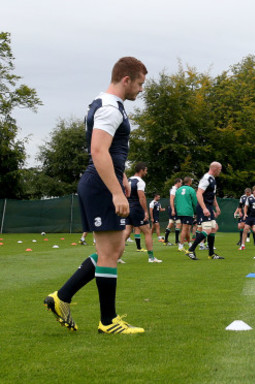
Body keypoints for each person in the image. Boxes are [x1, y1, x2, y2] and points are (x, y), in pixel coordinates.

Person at [43, 57, 147, 334]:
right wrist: (116, 192)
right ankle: (108, 321)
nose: (141, 89)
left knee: (113, 250)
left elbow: (110, 152)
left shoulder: (106, 104)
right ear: (126, 79)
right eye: (139, 83)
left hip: (103, 181)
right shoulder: (111, 108)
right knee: (110, 253)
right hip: (100, 185)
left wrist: (121, 177)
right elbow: (98, 151)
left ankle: (61, 297)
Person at [123, 162, 160, 263]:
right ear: (141, 170)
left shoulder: (128, 180)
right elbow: (142, 197)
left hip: (128, 208)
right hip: (136, 209)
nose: (146, 172)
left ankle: (115, 257)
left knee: (126, 232)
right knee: (147, 232)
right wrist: (145, 212)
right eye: (146, 170)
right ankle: (151, 258)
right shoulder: (140, 181)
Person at [186, 162, 224, 260]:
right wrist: (204, 208)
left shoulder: (213, 179)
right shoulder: (206, 178)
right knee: (207, 230)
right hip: (204, 206)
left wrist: (217, 207)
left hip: (209, 206)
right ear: (215, 169)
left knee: (214, 227)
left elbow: (212, 195)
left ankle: (211, 254)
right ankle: (191, 250)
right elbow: (198, 193)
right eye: (220, 169)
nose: (220, 171)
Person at [174, 176, 197, 253]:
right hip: (188, 211)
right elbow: (195, 202)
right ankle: (181, 245)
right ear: (190, 182)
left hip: (180, 211)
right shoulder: (191, 190)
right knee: (185, 228)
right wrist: (196, 212)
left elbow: (175, 201)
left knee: (187, 228)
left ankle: (190, 243)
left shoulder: (178, 190)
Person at [164, 178, 182, 245]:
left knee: (172, 223)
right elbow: (171, 200)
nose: (181, 184)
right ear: (177, 182)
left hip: (175, 208)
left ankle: (167, 241)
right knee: (176, 223)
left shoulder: (176, 189)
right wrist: (173, 209)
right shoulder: (174, 189)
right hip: (173, 208)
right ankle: (175, 241)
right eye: (181, 183)